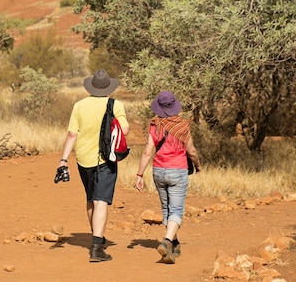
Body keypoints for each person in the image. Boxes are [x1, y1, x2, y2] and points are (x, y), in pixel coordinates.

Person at [56, 69, 130, 262]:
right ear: (108, 87)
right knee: (101, 200)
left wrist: (63, 160)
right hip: (106, 158)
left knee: (91, 199)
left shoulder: (79, 106)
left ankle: (97, 237)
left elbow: (72, 134)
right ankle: (97, 248)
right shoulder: (115, 104)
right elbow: (125, 129)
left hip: (83, 159)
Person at [135, 90, 201, 264]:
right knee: (177, 210)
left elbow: (147, 151)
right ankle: (167, 241)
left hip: (159, 170)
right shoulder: (183, 125)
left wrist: (140, 174)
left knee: (167, 209)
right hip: (178, 170)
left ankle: (174, 243)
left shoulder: (154, 124)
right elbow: (191, 151)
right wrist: (198, 165)